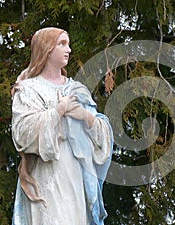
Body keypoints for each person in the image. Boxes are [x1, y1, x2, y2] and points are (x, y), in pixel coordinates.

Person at [11, 27, 113, 225]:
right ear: (46, 48)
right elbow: (22, 133)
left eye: (68, 44)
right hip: (46, 176)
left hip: (75, 175)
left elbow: (103, 140)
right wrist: (58, 111)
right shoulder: (29, 89)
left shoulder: (77, 90)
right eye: (62, 44)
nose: (69, 50)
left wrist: (85, 116)